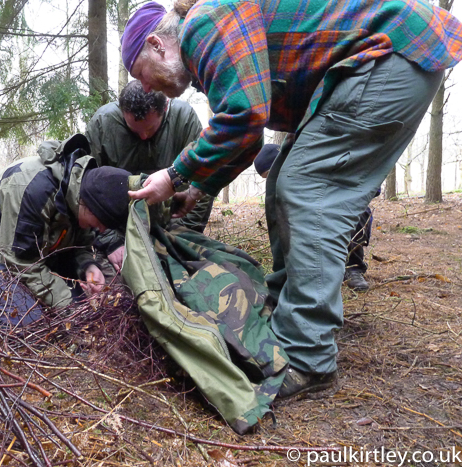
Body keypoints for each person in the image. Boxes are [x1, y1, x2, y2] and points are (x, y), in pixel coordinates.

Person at [120, 0, 462, 399]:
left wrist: (175, 174)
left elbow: (244, 115)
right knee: (282, 178)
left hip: (392, 55)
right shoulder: (208, 44)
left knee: (306, 188)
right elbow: (247, 138)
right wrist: (198, 187)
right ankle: (289, 313)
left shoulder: (203, 23)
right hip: (378, 60)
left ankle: (308, 356)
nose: (143, 88)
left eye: (139, 73)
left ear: (157, 45)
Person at [0, 134, 131, 326]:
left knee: (84, 306)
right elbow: (20, 260)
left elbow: (79, 247)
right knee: (26, 323)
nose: (101, 229)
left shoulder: (81, 191)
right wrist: (69, 308)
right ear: (87, 205)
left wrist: (89, 267)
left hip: (29, 246)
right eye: (101, 222)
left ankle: (1, 288)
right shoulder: (35, 189)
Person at [86, 80, 211, 270]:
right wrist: (109, 241)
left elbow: (202, 179)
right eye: (134, 129)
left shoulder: (183, 119)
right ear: (121, 112)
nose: (143, 136)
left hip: (173, 225)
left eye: (151, 129)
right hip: (118, 229)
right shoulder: (102, 123)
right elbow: (86, 189)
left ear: (165, 107)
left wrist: (186, 234)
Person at [254, 144, 375, 291]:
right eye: (268, 177)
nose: (274, 178)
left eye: (272, 173)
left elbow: (366, 186)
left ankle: (353, 268)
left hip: (339, 206)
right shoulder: (279, 191)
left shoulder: (318, 160)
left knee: (357, 209)